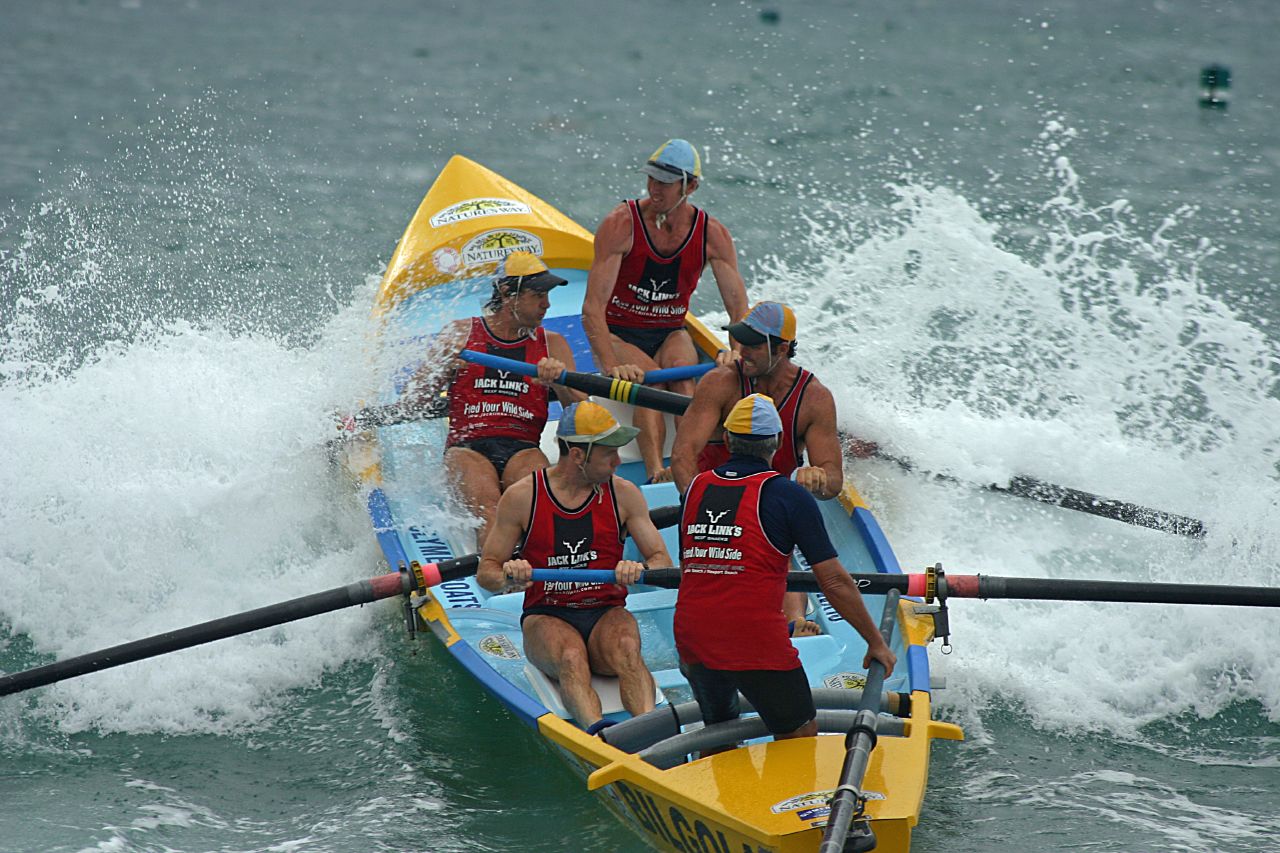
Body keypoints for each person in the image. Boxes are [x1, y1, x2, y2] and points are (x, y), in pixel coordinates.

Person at [674, 394, 896, 748]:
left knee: (718, 734)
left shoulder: (694, 489)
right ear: (777, 443)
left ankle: (716, 761)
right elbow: (833, 581)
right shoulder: (788, 496)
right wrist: (875, 642)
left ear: (727, 439)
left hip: (692, 637)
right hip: (754, 641)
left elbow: (692, 567)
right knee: (799, 734)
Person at [353, 251, 584, 547]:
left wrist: (560, 383)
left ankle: (539, 570)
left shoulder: (553, 344)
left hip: (524, 448)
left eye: (548, 295)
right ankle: (497, 573)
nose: (547, 304)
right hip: (468, 448)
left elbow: (581, 414)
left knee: (539, 508)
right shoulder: (460, 334)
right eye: (538, 295)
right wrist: (443, 366)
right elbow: (415, 403)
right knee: (491, 511)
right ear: (507, 294)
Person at [477, 401, 674, 733]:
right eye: (609, 453)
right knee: (570, 656)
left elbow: (661, 561)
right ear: (579, 455)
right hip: (547, 614)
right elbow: (487, 572)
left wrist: (639, 568)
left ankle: (650, 733)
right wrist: (510, 576)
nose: (618, 461)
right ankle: (600, 736)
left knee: (628, 649)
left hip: (605, 612)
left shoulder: (624, 494)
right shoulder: (523, 497)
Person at [670, 301, 853, 632]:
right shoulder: (719, 383)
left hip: (766, 506)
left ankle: (794, 623)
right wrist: (696, 503)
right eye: (740, 342)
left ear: (782, 349)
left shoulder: (814, 399)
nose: (742, 351)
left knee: (778, 544)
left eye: (753, 345)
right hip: (712, 502)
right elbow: (683, 455)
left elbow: (834, 481)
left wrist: (819, 477)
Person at [582, 139, 749, 483]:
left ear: (690, 187)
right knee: (653, 386)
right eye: (652, 179)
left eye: (665, 182)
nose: (654, 188)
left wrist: (736, 352)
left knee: (683, 380)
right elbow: (592, 309)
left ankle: (690, 468)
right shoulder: (621, 224)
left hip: (670, 331)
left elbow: (738, 310)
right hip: (620, 333)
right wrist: (610, 366)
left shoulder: (712, 235)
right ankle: (657, 471)